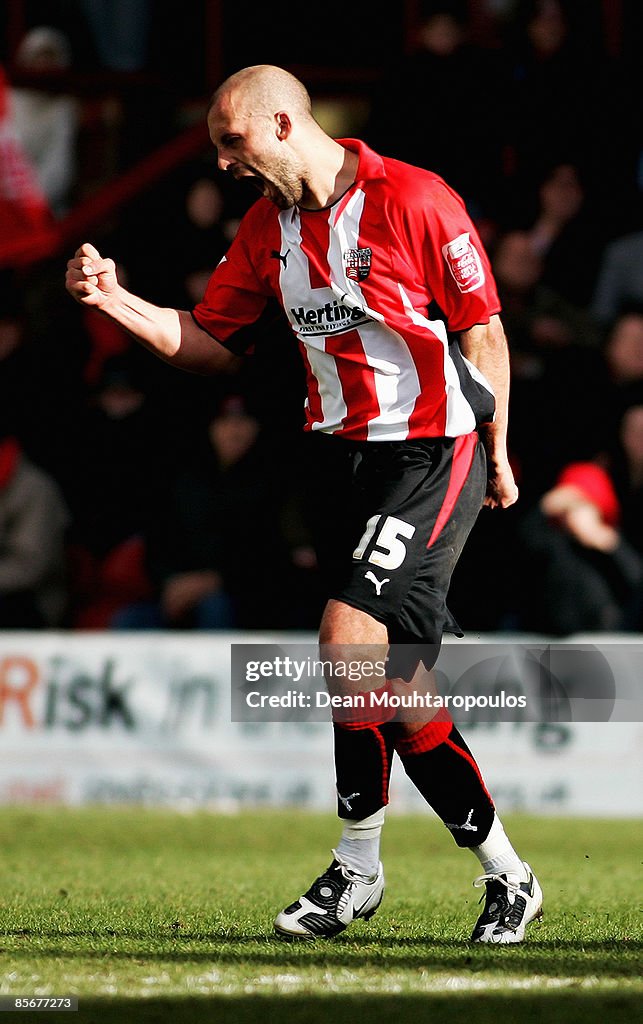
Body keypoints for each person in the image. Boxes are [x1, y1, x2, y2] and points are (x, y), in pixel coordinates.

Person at [65, 64, 542, 944]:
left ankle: (355, 869)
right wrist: (115, 300)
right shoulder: (265, 230)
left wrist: (500, 451)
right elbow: (209, 341)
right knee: (396, 691)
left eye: (231, 142)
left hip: (435, 450)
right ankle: (508, 877)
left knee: (345, 640)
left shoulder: (416, 198)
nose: (222, 164)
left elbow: (481, 328)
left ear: (283, 123)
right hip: (345, 466)